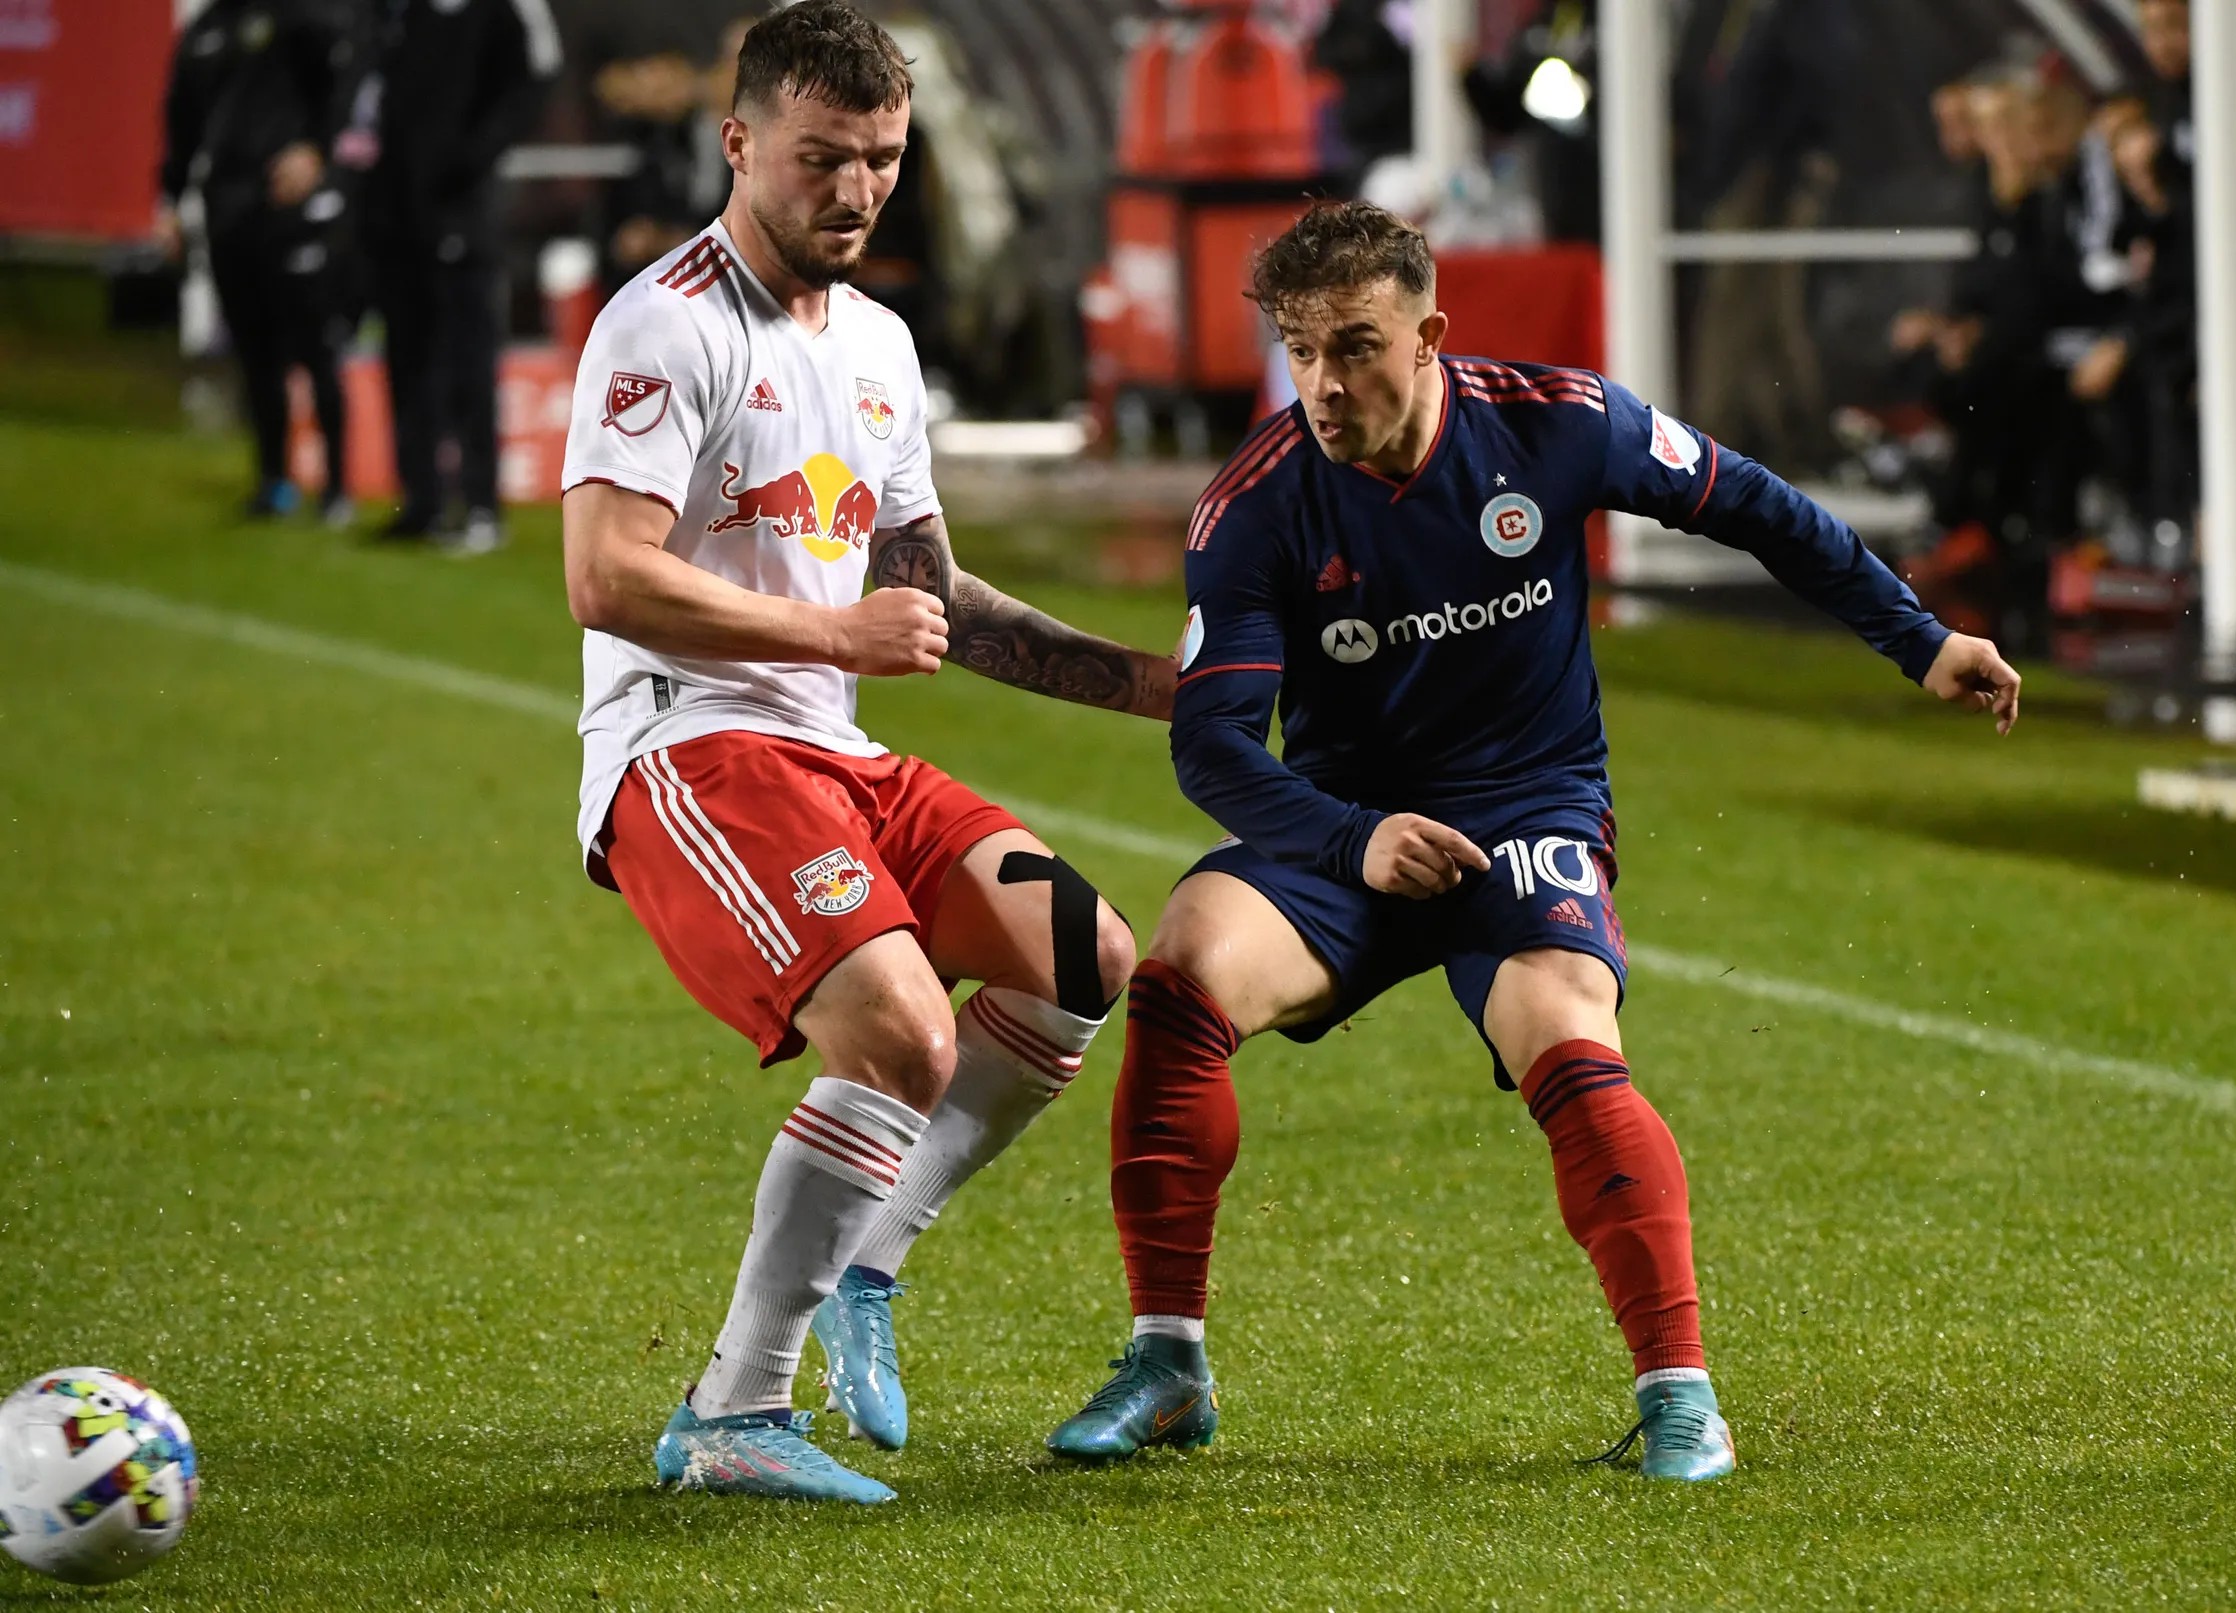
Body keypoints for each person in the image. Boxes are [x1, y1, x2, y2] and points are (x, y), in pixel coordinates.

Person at [1040, 201, 2019, 1480]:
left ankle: (1679, 1399)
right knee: (1179, 967)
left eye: (1355, 345)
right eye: (1298, 351)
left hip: (1527, 809)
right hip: (1340, 825)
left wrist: (1921, 639)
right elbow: (1214, 745)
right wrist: (1353, 838)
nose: (1325, 385)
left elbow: (1762, 510)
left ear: (1429, 331)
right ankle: (1167, 1366)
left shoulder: (1559, 423)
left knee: (1563, 1026)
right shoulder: (1255, 507)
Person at [558, 2, 1177, 1505]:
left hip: (831, 748)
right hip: (686, 749)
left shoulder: (885, 345)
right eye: (822, 158)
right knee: (906, 1034)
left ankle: (865, 1265)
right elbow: (605, 574)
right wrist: (834, 640)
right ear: (741, 142)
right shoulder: (665, 323)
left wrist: (1158, 685)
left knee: (1084, 955)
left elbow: (932, 594)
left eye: (883, 161)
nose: (855, 191)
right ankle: (732, 1411)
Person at [158, 0, 370, 525]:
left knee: (318, 347)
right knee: (256, 352)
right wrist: (170, 200)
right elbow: (181, 119)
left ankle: (337, 487)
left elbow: (341, 86)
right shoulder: (204, 30)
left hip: (289, 204)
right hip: (225, 206)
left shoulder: (303, 16)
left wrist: (316, 151)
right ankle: (273, 480)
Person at [364, 0, 560, 550]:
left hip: (462, 211)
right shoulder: (400, 13)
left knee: (468, 362)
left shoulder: (502, 10)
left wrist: (472, 157)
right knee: (407, 357)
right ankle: (421, 501)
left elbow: (535, 79)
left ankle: (479, 506)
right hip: (398, 212)